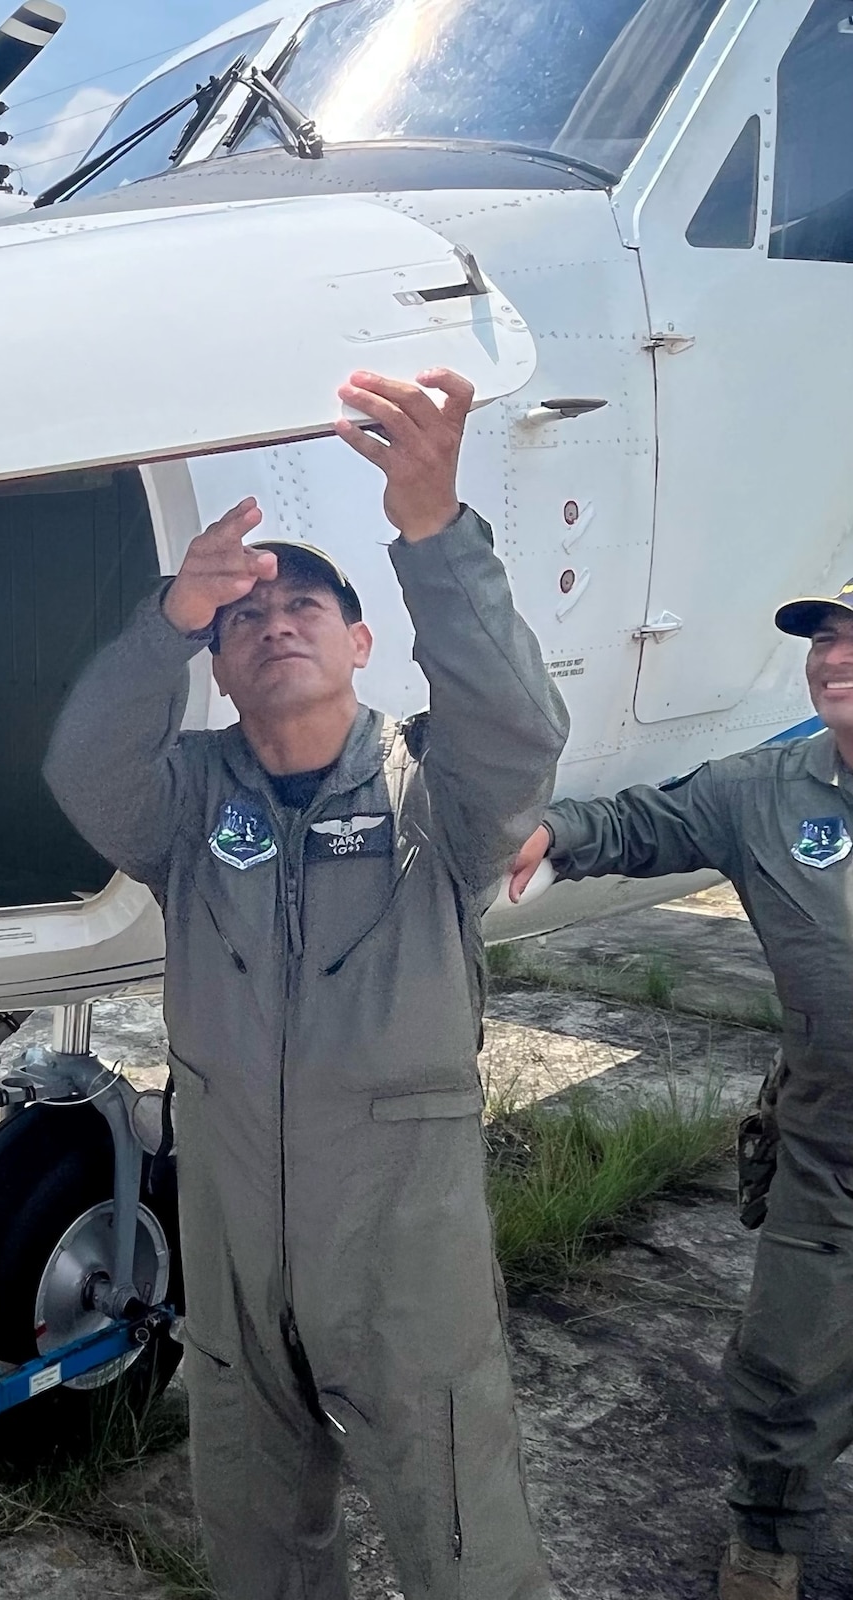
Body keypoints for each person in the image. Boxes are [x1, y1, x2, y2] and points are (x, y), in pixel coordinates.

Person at [45, 369, 568, 1599]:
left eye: (307, 606)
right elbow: (82, 766)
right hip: (232, 1251)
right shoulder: (186, 800)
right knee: (257, 1546)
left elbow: (519, 729)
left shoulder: (436, 796)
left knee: (465, 1546)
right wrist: (167, 617)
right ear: (216, 669)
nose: (273, 621)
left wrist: (432, 531)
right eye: (243, 620)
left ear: (359, 641)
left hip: (399, 1254)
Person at [508, 580, 853, 1600]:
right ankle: (765, 1536)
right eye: (822, 640)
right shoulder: (768, 789)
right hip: (830, 1149)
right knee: (786, 1361)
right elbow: (639, 822)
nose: (830, 656)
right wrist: (549, 834)